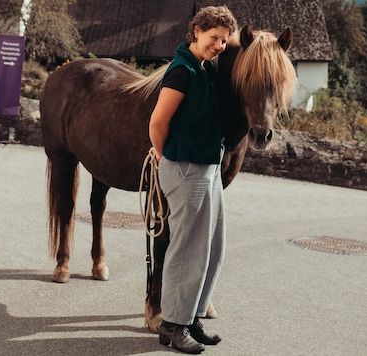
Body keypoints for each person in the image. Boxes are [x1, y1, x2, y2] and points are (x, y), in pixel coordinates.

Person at [148, 5, 237, 354]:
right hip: (185, 167)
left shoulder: (205, 69)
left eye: (224, 40)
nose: (219, 45)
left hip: (208, 166)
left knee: (213, 246)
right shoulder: (182, 71)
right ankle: (172, 325)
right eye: (214, 38)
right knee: (187, 250)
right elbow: (158, 122)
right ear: (196, 31)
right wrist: (162, 155)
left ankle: (191, 316)